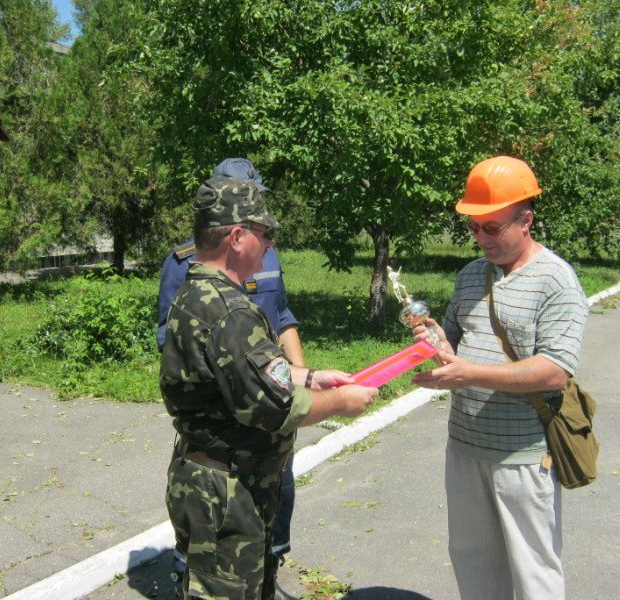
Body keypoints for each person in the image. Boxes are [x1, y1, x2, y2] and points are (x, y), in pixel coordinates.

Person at [160, 174, 378, 600]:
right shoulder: (230, 311)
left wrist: (311, 377)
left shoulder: (195, 292)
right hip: (228, 493)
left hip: (206, 477)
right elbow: (276, 407)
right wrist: (340, 402)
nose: (270, 244)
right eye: (265, 233)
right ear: (238, 236)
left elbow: (233, 375)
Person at [412, 156, 589, 599]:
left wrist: (470, 373)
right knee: (473, 562)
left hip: (523, 455)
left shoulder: (556, 280)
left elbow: (554, 370)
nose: (479, 238)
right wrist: (435, 344)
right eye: (473, 228)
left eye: (491, 228)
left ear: (525, 219)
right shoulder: (471, 275)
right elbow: (453, 344)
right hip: (466, 448)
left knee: (533, 572)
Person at [157, 159, 303, 600]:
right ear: (236, 231)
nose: (269, 237)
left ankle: (265, 576)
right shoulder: (188, 270)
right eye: (260, 221)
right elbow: (179, 345)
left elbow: (281, 317)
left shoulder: (265, 253)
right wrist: (319, 398)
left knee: (269, 528)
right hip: (229, 456)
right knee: (216, 569)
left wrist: (301, 373)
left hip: (263, 431)